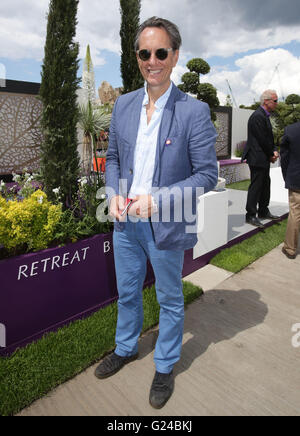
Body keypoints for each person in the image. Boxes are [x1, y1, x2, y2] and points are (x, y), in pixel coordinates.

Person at [94, 16, 218, 409]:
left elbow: (207, 175)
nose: (152, 60)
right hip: (125, 223)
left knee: (169, 298)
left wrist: (159, 199)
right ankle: (126, 347)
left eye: (160, 52)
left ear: (175, 55)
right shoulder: (124, 105)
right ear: (137, 58)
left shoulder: (193, 111)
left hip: (165, 224)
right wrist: (112, 193)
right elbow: (112, 158)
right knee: (128, 292)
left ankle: (164, 365)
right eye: (145, 53)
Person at [242, 90, 280, 228]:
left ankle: (263, 210)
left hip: (262, 157)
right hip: (257, 157)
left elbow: (268, 137)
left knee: (265, 185)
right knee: (256, 186)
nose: (277, 103)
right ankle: (251, 215)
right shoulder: (257, 116)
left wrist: (274, 150)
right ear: (266, 101)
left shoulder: (264, 115)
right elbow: (262, 139)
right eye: (275, 101)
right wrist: (272, 153)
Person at [280, 121, 300, 259]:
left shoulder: (291, 130)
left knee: (295, 212)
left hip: (296, 177)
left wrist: (287, 176)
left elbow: (284, 157)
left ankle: (290, 248)